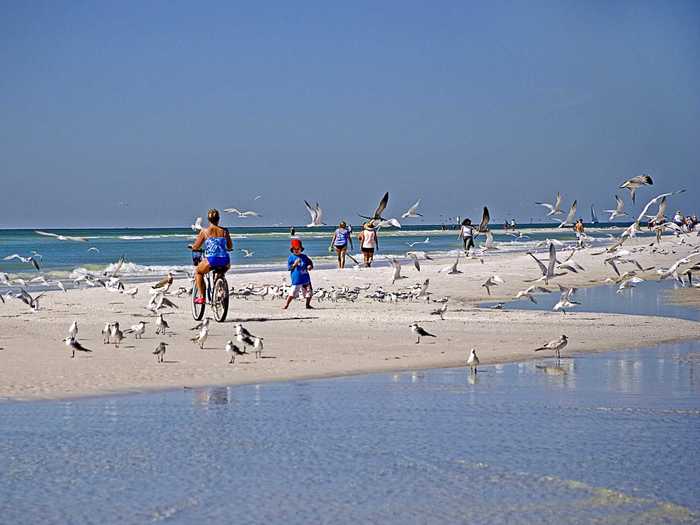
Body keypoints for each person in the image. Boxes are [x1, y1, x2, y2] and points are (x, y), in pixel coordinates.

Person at [191, 209, 233, 305]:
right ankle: (220, 290)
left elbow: (196, 246)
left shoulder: (204, 232)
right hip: (225, 260)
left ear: (208, 219)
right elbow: (230, 246)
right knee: (221, 272)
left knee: (198, 272)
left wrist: (193, 247)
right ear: (219, 219)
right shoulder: (225, 231)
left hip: (212, 260)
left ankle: (201, 297)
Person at [283, 238, 314, 309]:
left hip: (305, 279)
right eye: (295, 249)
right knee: (292, 293)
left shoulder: (304, 257)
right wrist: (294, 264)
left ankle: (307, 304)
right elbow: (289, 268)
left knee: (308, 293)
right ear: (292, 250)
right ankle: (287, 305)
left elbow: (310, 262)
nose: (296, 250)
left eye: (298, 249)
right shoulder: (291, 257)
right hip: (296, 279)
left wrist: (310, 266)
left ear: (301, 249)